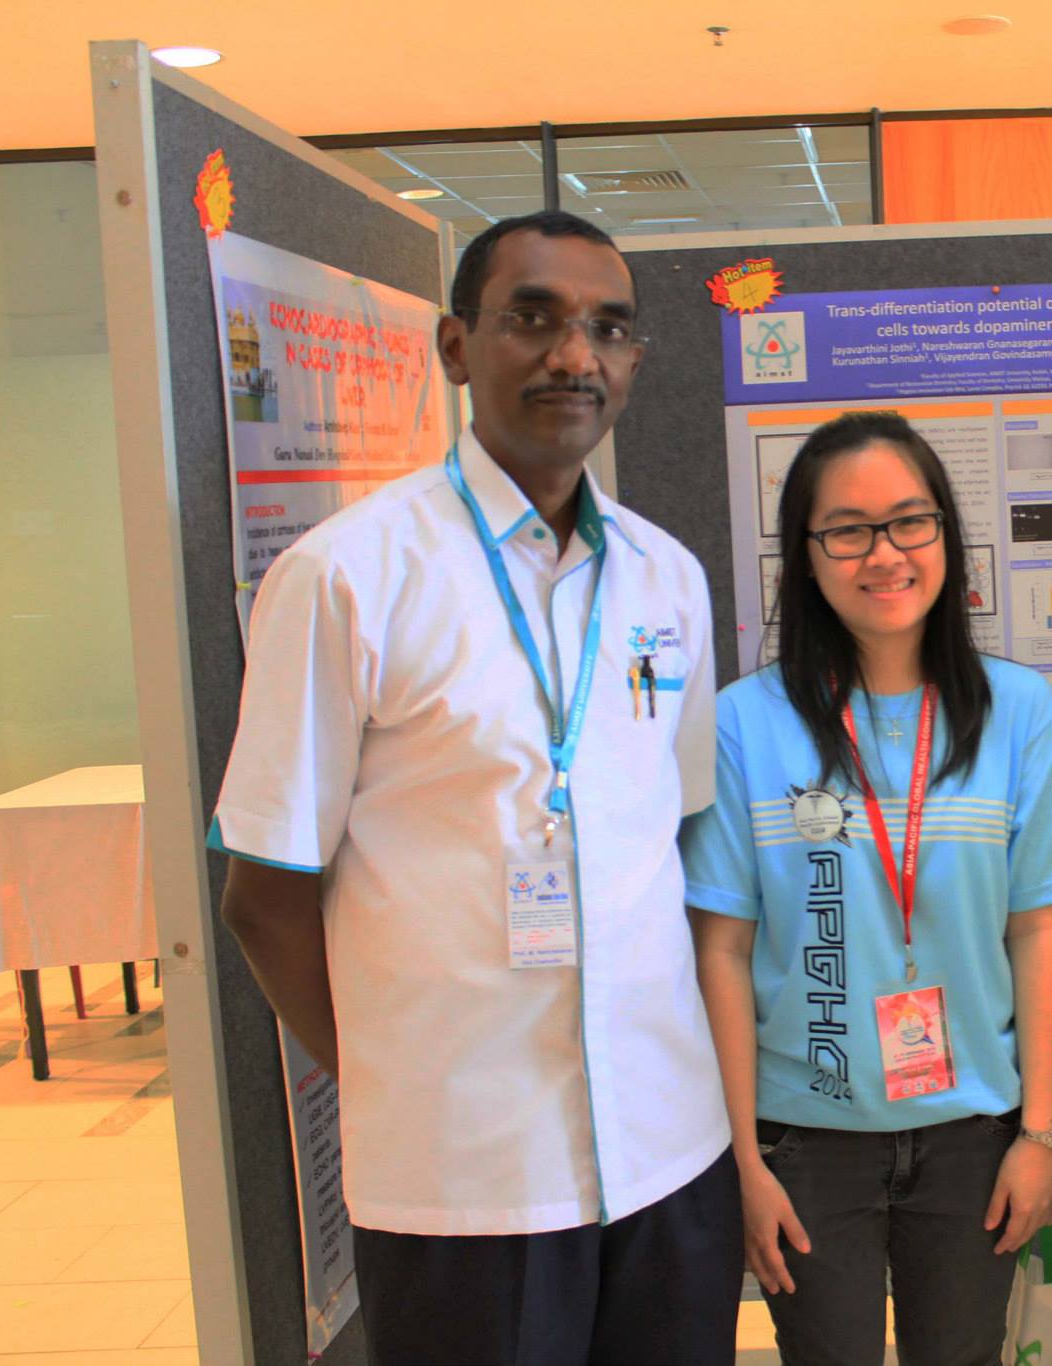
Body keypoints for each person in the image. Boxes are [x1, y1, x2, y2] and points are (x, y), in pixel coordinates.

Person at [211, 210, 740, 1366]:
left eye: (608, 328)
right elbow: (264, 895)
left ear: (633, 361)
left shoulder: (666, 577)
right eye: (533, 318)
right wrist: (398, 1076)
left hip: (666, 1152)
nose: (575, 355)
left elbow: (677, 838)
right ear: (455, 346)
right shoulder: (347, 576)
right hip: (466, 1179)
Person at [682, 412, 1052, 1366]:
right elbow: (721, 949)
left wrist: (1042, 1132)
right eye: (847, 530)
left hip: (973, 1134)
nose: (884, 553)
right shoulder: (742, 726)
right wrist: (741, 1159)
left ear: (947, 537)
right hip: (802, 1139)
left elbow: (1043, 930)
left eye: (910, 522)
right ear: (805, 557)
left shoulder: (1019, 715)